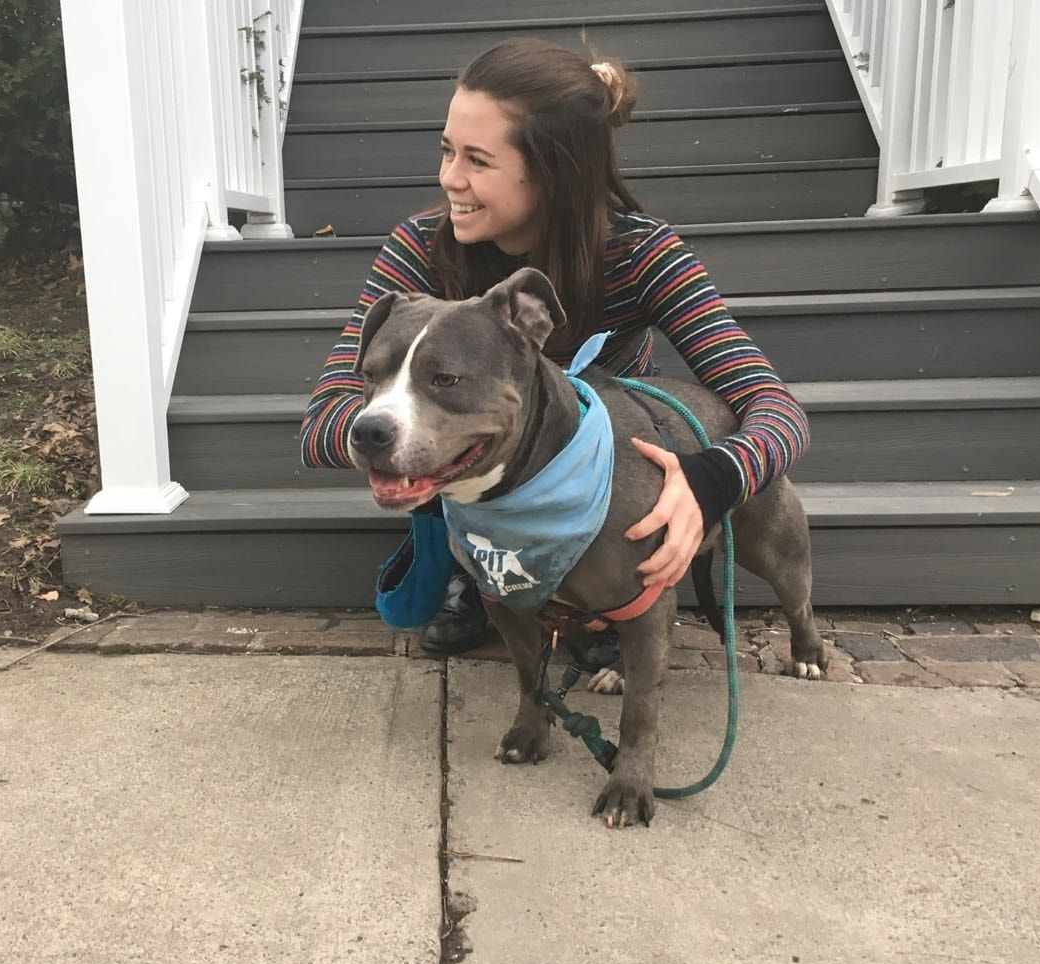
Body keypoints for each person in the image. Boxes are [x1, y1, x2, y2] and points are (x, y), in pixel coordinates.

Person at [299, 37, 811, 654]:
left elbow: (777, 411)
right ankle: (477, 568)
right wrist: (410, 435)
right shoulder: (422, 248)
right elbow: (323, 422)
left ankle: (602, 591)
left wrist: (713, 480)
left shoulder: (641, 254)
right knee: (459, 418)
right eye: (447, 150)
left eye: (477, 160)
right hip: (471, 474)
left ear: (554, 173)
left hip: (606, 485)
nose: (449, 178)